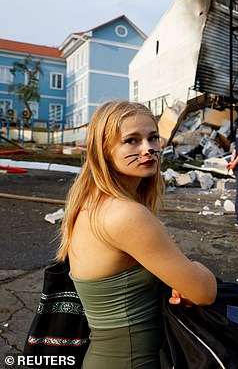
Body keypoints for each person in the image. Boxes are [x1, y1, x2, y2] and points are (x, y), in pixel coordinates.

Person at [58, 101, 217, 368]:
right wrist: (195, 269)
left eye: (153, 137)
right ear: (104, 151)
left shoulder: (90, 203)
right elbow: (204, 291)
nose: (149, 149)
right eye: (132, 141)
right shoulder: (126, 215)